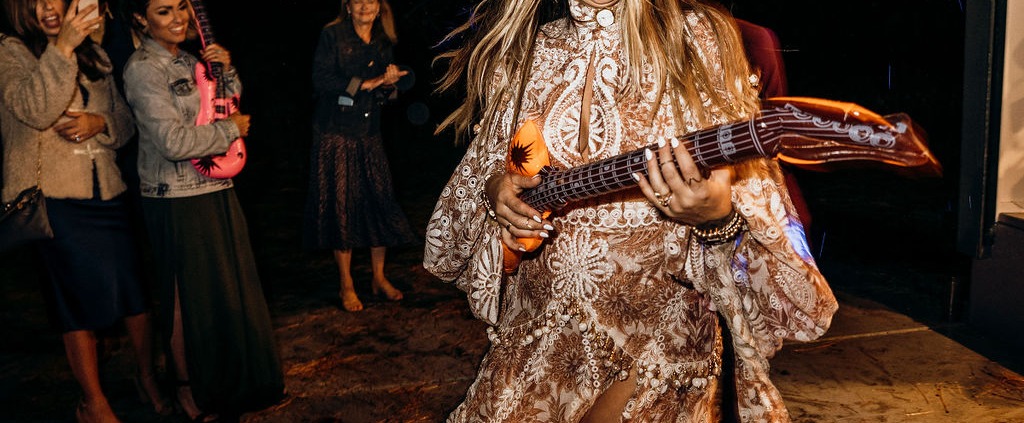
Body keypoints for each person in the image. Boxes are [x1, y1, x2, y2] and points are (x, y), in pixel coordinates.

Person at [424, 0, 839, 421]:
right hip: (530, 346)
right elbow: (476, 188)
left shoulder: (696, 38)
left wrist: (717, 220)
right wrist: (497, 191)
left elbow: (764, 224)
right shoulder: (530, 49)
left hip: (653, 353)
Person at [0, 0, 169, 421]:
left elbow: (124, 121)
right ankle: (93, 402)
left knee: (134, 295)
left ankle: (146, 377)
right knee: (76, 303)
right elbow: (35, 109)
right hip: (55, 199)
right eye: (35, 1)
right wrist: (62, 48)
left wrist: (100, 123)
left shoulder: (92, 52)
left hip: (105, 192)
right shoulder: (11, 52)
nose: (47, 7)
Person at [121, 0, 284, 420]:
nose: (178, 18)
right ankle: (186, 389)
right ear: (140, 19)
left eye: (181, 7)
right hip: (174, 196)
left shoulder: (191, 60)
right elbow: (172, 142)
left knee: (223, 292)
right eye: (163, 11)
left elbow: (225, 104)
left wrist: (226, 70)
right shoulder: (143, 69)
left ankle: (230, 385)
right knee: (184, 298)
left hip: (215, 185)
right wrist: (229, 130)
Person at [304, 0, 418, 312]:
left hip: (369, 132)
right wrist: (369, 83)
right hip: (335, 131)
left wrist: (391, 82)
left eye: (371, 0)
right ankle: (346, 284)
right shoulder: (332, 35)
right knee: (341, 207)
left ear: (380, 7)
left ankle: (378, 278)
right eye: (358, 0)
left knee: (378, 202)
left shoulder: (382, 40)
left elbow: (386, 96)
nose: (365, 6)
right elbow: (322, 80)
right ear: (348, 6)